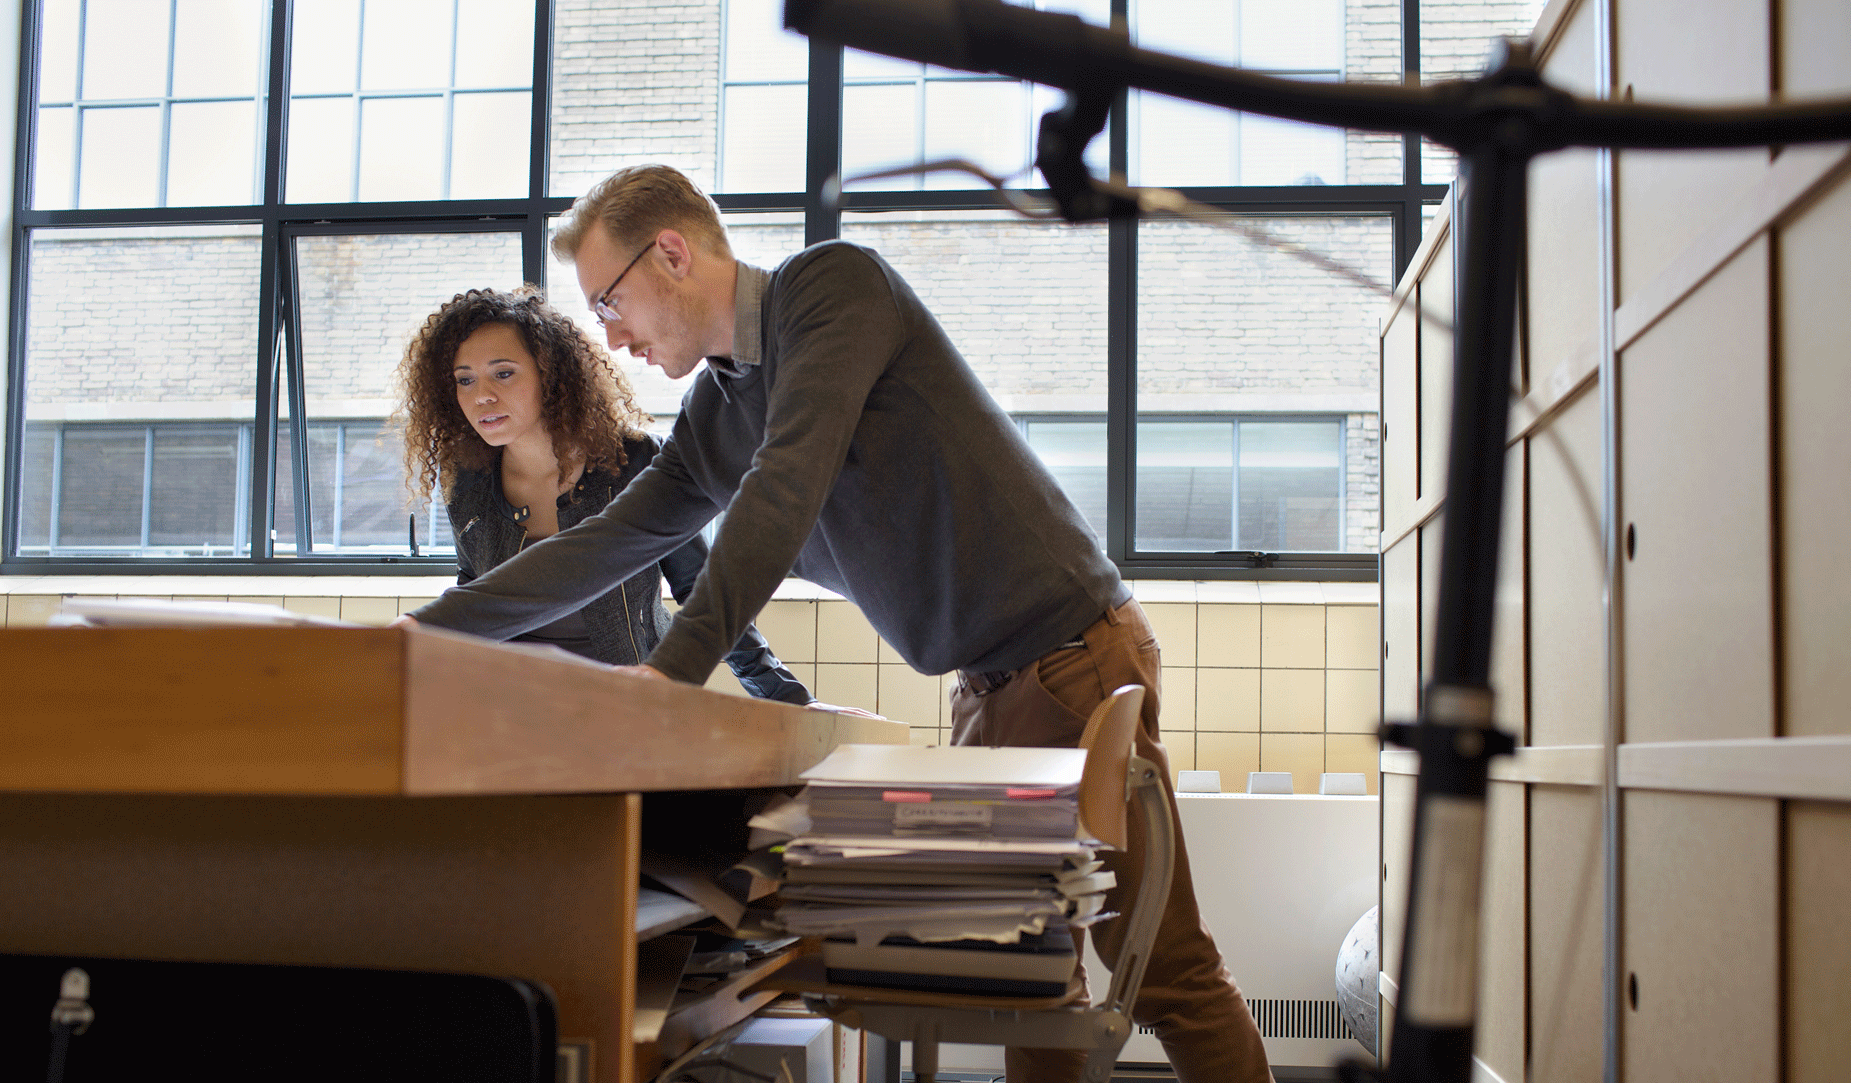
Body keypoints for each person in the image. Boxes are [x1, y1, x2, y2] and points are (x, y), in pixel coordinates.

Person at [403, 166, 1277, 1083]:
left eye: (610, 303)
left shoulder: (831, 292)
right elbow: (610, 540)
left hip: (1071, 656)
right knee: (1031, 977)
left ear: (671, 253)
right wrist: (418, 635)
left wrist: (673, 670)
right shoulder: (716, 410)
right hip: (991, 681)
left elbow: (786, 485)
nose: (609, 337)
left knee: (1167, 970)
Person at [394, 285, 812, 703]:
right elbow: (474, 588)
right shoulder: (466, 480)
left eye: (503, 373)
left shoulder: (636, 460)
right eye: (464, 380)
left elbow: (700, 590)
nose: (481, 395)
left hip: (629, 709)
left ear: (550, 374)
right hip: (515, 710)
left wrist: (788, 698)